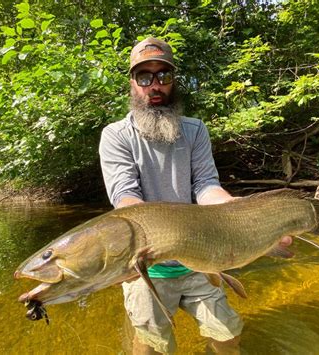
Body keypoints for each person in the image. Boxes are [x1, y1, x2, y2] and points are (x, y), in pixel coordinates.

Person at [99, 37, 290, 354]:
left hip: (201, 259)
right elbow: (125, 198)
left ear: (174, 82)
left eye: (164, 76)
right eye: (145, 77)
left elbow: (205, 185)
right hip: (147, 268)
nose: (155, 86)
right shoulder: (116, 136)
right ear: (133, 84)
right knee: (152, 346)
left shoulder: (195, 130)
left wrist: (237, 210)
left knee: (228, 335)